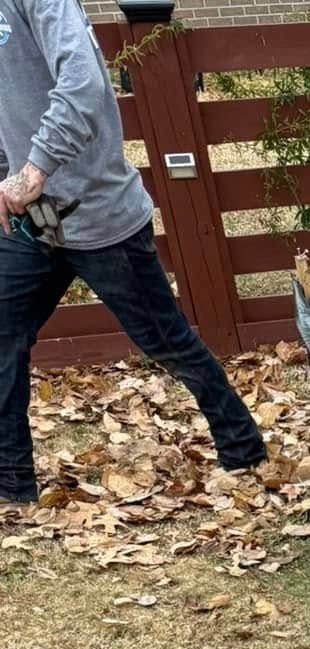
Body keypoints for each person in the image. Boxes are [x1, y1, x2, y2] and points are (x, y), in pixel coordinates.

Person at [0, 0, 265, 505]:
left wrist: (32, 171)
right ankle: (12, 487)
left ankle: (242, 449)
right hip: (32, 226)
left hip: (100, 216)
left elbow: (83, 85)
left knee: (165, 340)